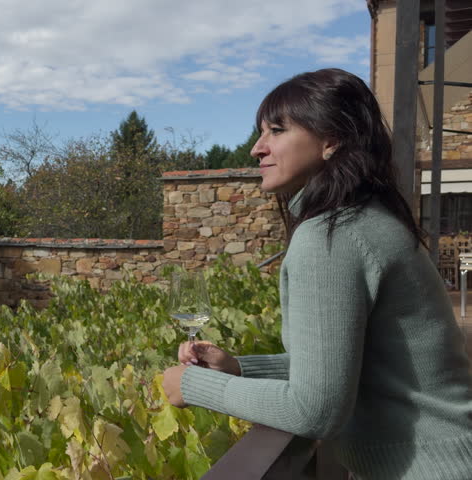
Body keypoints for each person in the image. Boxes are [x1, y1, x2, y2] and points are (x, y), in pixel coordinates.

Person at [162, 68, 472, 479]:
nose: (257, 148)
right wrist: (239, 367)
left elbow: (315, 411)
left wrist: (192, 387)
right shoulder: (367, 221)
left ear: (332, 140)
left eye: (276, 130)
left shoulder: (331, 236)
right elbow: (340, 364)